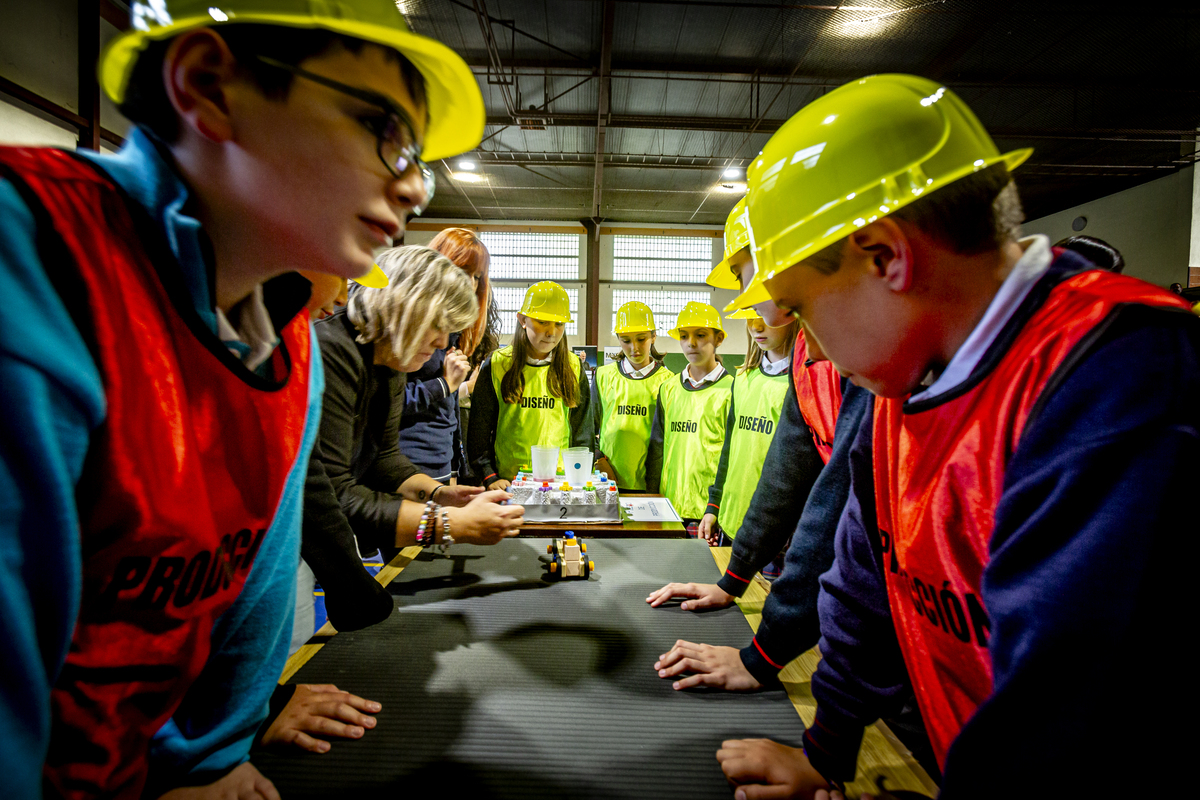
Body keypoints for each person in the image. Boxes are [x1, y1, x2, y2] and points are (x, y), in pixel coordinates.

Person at [0, 0, 485, 796]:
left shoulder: (287, 341)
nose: (411, 191)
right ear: (208, 87)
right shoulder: (36, 260)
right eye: (383, 132)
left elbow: (251, 583)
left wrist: (216, 750)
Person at [717, 74, 1197, 798]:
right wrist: (828, 747)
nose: (807, 339)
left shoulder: (1120, 378)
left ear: (887, 257)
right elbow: (864, 575)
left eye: (800, 306)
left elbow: (1069, 716)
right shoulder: (908, 375)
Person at [304, 245, 523, 626]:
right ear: (404, 310)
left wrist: (441, 494)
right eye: (438, 328)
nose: (443, 344)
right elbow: (334, 493)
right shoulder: (332, 348)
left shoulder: (389, 359)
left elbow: (384, 458)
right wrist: (450, 524)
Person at [467, 280, 593, 489]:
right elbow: (479, 431)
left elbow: (583, 433)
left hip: (560, 484)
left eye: (559, 324)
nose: (552, 332)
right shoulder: (497, 364)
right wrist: (489, 476)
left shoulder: (573, 367)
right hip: (509, 485)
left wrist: (579, 477)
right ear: (522, 319)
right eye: (543, 322)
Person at [696, 307, 799, 549]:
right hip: (732, 520)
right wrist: (714, 506)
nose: (755, 326)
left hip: (777, 531)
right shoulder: (743, 379)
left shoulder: (801, 381)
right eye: (750, 316)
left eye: (764, 315)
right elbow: (729, 450)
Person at [399, 227, 493, 482]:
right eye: (462, 272)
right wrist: (444, 384)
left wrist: (457, 466)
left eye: (476, 276)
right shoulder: (407, 329)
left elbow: (446, 410)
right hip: (405, 466)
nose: (470, 284)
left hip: (440, 464)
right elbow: (386, 402)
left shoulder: (456, 333)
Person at [646, 302, 733, 529]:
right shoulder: (668, 388)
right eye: (684, 336)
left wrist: (716, 507)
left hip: (709, 515)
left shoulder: (732, 391)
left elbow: (732, 459)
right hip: (668, 508)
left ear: (719, 339)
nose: (691, 343)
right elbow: (657, 449)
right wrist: (652, 499)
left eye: (701, 335)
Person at [593, 301, 675, 489]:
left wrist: (655, 484)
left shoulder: (668, 382)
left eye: (641, 339)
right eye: (626, 340)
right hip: (609, 480)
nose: (634, 348)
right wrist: (599, 461)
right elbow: (590, 428)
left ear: (653, 337)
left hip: (651, 484)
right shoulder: (603, 376)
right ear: (618, 339)